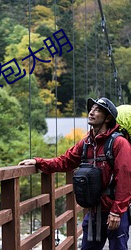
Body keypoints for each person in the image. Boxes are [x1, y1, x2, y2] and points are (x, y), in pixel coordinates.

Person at [18, 97, 131, 250]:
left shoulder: (119, 143)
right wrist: (38, 162)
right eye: (91, 109)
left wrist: (117, 212)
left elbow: (125, 178)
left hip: (114, 211)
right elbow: (65, 161)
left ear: (108, 118)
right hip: (94, 211)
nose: (91, 112)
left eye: (97, 110)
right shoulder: (86, 143)